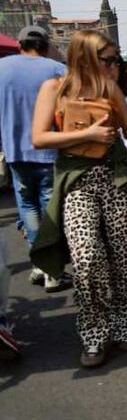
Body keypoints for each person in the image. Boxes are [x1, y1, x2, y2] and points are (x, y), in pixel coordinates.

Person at [29, 30, 127, 367]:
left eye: (116, 60)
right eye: (109, 60)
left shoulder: (110, 90)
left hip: (115, 178)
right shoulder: (54, 89)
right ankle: (94, 335)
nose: (115, 66)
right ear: (85, 57)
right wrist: (87, 133)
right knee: (87, 259)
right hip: (76, 183)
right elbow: (38, 137)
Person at [0, 25, 68, 292]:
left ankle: (39, 264)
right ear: (45, 46)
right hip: (50, 150)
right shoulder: (56, 69)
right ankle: (52, 270)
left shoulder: (2, 68)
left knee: (28, 206)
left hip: (14, 150)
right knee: (50, 209)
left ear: (20, 45)